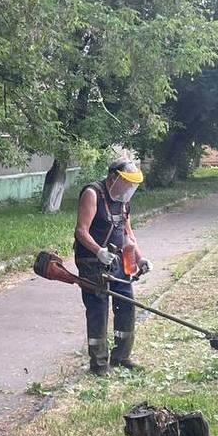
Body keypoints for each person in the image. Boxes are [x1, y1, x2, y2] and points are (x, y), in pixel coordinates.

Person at [73, 159, 153, 375]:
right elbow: (81, 231)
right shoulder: (93, 194)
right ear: (112, 178)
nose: (129, 189)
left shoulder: (123, 201)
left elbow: (128, 233)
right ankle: (99, 365)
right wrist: (98, 251)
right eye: (126, 183)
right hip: (92, 265)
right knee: (98, 311)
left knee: (126, 306)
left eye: (132, 185)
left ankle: (121, 357)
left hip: (118, 261)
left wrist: (140, 258)